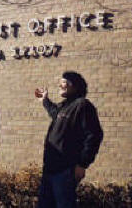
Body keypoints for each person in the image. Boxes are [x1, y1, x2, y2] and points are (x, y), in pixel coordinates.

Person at [35, 71, 103, 208]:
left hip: (65, 170)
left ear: (74, 86)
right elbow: (54, 112)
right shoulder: (64, 106)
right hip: (50, 169)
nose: (60, 85)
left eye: (64, 82)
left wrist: (82, 164)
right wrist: (45, 100)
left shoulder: (82, 105)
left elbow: (94, 135)